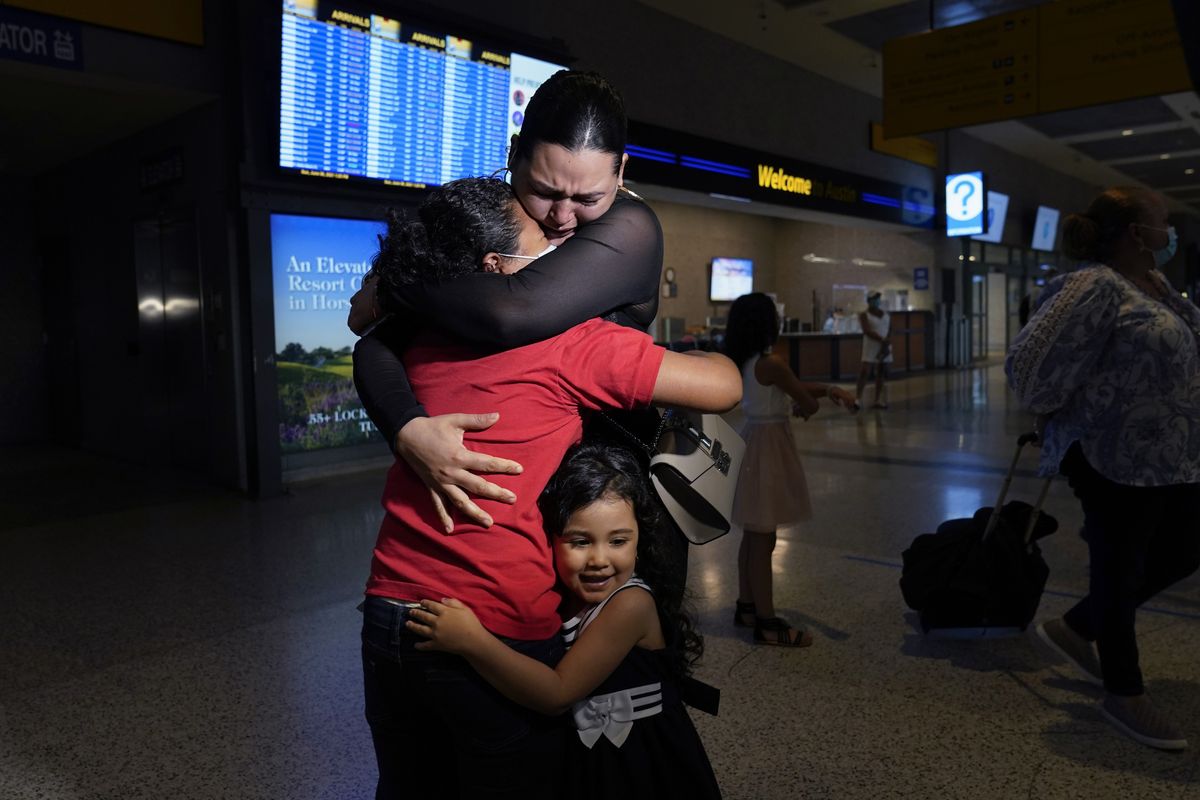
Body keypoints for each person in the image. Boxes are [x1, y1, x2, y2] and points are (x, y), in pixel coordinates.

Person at [359, 176, 741, 798]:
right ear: (499, 267)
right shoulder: (567, 342)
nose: (563, 241)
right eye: (543, 235)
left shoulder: (421, 337)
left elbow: (368, 338)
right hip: (493, 621)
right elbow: (724, 386)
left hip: (388, 610)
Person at [353, 70, 663, 533]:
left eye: (588, 198)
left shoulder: (631, 229)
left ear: (621, 171)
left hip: (601, 508)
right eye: (544, 191)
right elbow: (377, 342)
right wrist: (407, 429)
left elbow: (510, 312)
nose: (562, 217)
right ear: (513, 152)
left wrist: (392, 285)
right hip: (501, 514)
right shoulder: (488, 224)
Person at [406, 443, 722, 800]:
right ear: (551, 540)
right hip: (595, 762)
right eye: (579, 541)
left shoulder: (631, 604)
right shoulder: (564, 599)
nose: (599, 559)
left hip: (641, 765)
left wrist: (472, 641)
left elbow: (557, 693)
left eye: (618, 541)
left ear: (639, 540)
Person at [1006, 186, 1200, 751]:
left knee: (1186, 547)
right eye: (1162, 222)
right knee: (1120, 566)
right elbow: (1032, 365)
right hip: (1112, 455)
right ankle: (1124, 692)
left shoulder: (1156, 284)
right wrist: (1061, 412)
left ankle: (1079, 627)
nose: (1171, 232)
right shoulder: (1094, 286)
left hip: (1171, 457)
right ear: (1135, 233)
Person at [723, 293, 858, 647]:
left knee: (753, 533)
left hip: (753, 439)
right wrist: (814, 402)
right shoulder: (773, 362)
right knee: (764, 535)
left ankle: (747, 605)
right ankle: (767, 623)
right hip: (769, 446)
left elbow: (790, 389)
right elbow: (802, 397)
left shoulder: (748, 360)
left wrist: (829, 390)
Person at [856, 291, 892, 409]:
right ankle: (858, 398)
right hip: (871, 345)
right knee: (864, 371)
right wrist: (881, 339)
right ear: (869, 301)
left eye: (878, 298)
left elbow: (890, 329)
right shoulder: (864, 315)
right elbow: (866, 330)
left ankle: (877, 399)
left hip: (884, 346)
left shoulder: (886, 314)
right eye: (874, 299)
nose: (877, 301)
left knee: (881, 371)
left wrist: (886, 342)